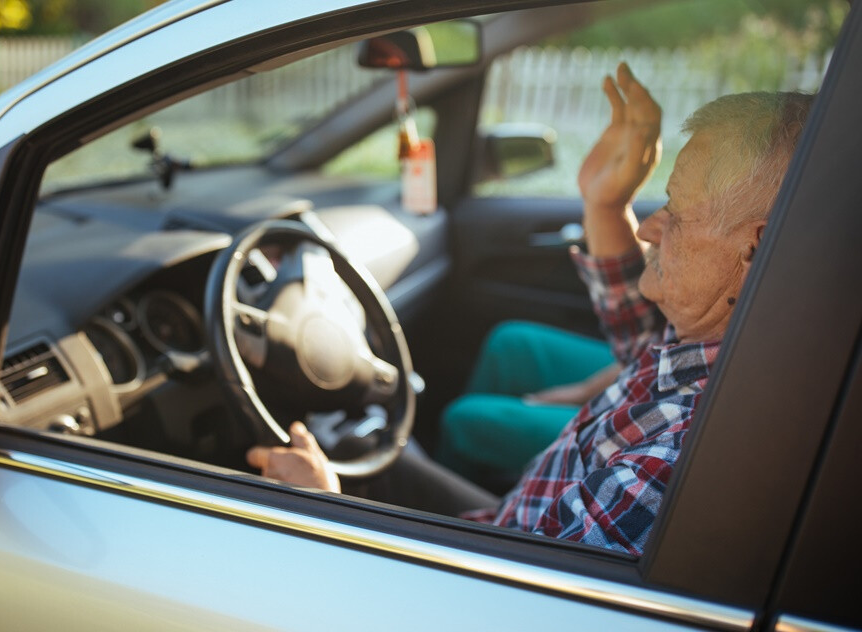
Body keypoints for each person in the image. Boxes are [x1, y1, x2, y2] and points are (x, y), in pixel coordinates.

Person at [246, 62, 814, 555]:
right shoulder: (725, 341)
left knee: (373, 457)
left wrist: (324, 516)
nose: (649, 227)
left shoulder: (669, 466)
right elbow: (639, 338)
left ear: (754, 250)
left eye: (677, 210)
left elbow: (492, 610)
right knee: (381, 452)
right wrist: (603, 200)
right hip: (510, 523)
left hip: (490, 562)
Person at [435, 320, 617, 491]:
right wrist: (585, 389)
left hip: (638, 423)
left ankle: (440, 511)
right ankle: (489, 470)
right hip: (636, 365)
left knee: (464, 420)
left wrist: (582, 394)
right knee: (509, 342)